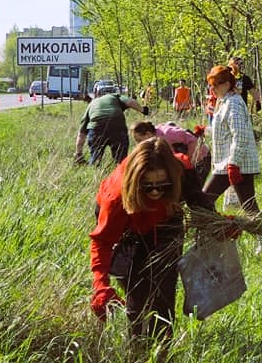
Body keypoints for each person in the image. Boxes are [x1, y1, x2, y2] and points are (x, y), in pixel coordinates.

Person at [88, 137, 213, 339]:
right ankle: (138, 345)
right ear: (137, 182)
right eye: (148, 186)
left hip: (166, 222)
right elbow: (102, 241)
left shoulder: (181, 170)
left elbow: (199, 202)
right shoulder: (116, 198)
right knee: (137, 296)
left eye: (162, 185)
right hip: (130, 227)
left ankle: (162, 349)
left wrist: (220, 226)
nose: (155, 191)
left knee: (163, 294)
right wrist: (100, 285)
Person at [203, 64, 261, 213]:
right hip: (231, 164)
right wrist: (203, 131)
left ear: (227, 84)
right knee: (250, 207)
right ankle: (221, 231)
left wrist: (233, 165)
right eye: (211, 85)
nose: (212, 89)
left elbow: (240, 135)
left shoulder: (233, 103)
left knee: (203, 202)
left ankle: (217, 232)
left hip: (233, 165)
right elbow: (225, 131)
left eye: (216, 85)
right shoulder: (224, 102)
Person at [75, 88, 150, 165]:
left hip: (96, 127)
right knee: (121, 160)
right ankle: (121, 170)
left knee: (96, 158)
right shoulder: (114, 96)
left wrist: (78, 153)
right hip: (117, 124)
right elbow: (130, 102)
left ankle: (95, 165)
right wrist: (143, 110)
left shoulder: (91, 105)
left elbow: (81, 133)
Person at [132, 120, 212, 184]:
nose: (139, 144)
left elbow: (193, 140)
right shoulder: (154, 140)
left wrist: (187, 162)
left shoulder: (168, 133)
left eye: (139, 140)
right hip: (186, 163)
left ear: (148, 134)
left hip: (201, 159)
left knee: (193, 191)